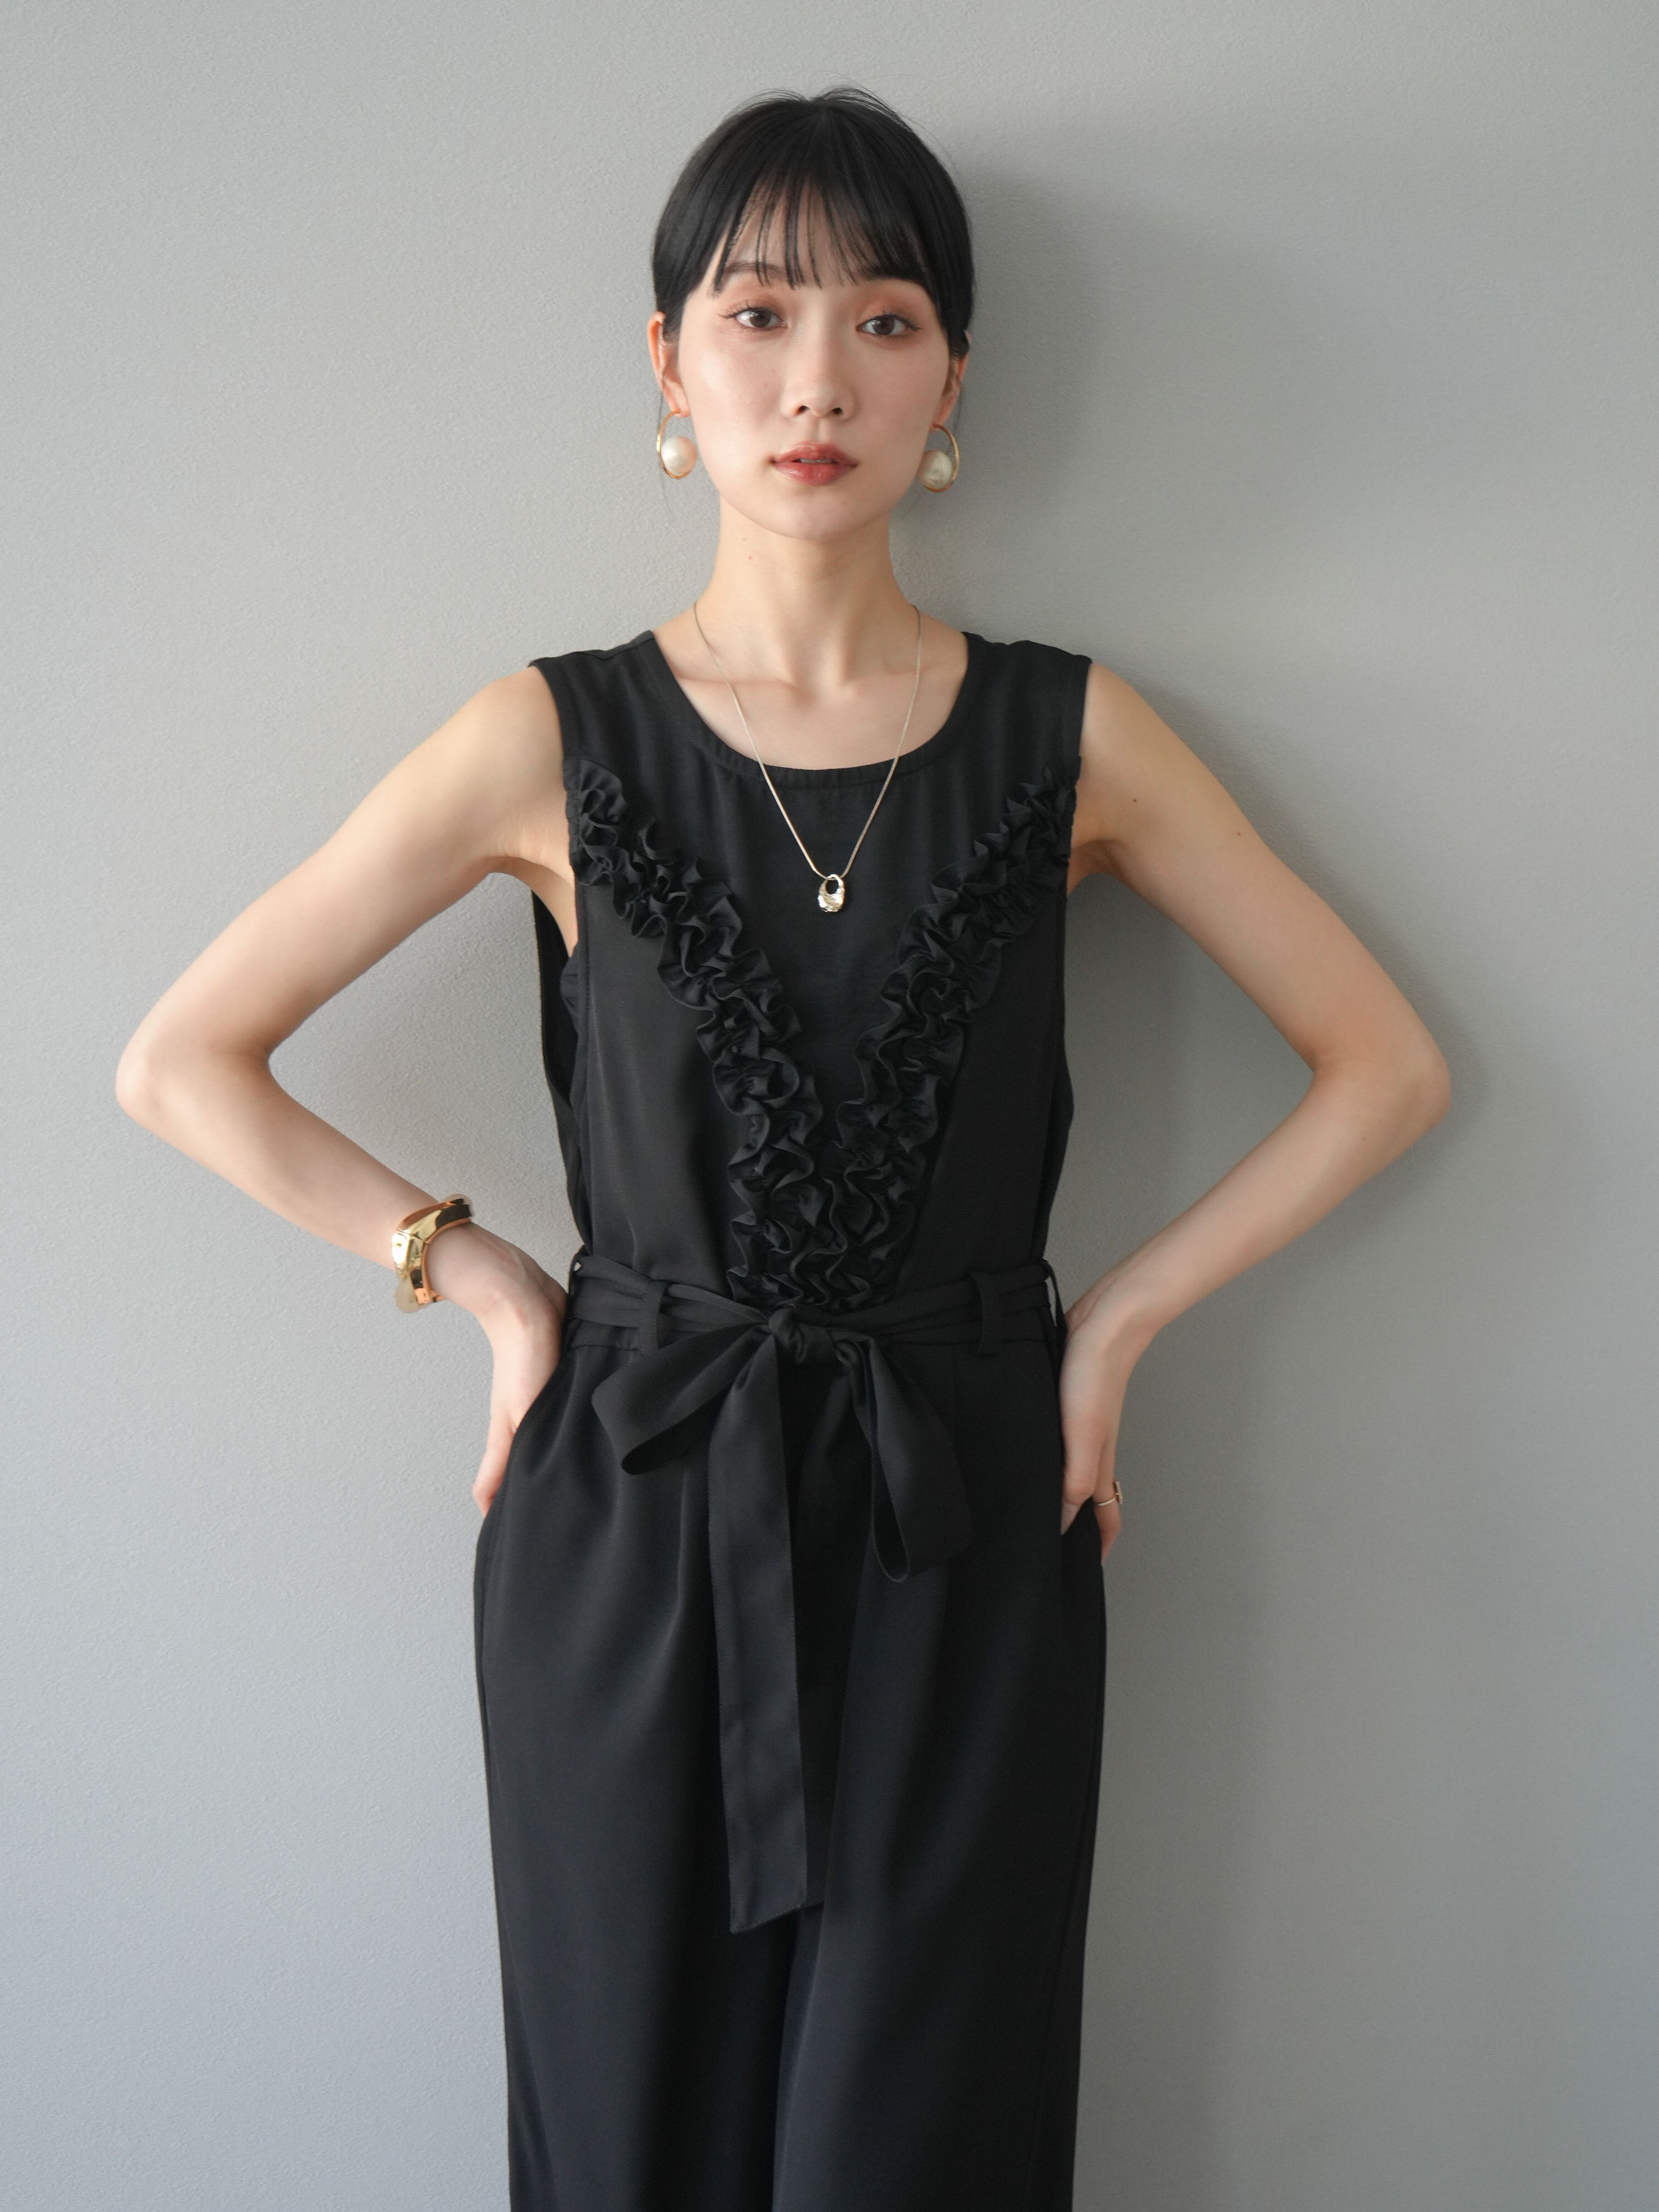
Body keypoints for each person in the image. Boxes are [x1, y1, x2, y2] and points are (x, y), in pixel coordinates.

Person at [116, 84, 1449, 2212]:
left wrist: (1112, 1332)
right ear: (670, 363)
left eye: (884, 319)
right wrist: (482, 1279)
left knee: (920, 2150)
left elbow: (1383, 1065)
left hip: (968, 1514)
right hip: (636, 1513)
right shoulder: (548, 735)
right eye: (756, 314)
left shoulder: (1071, 732)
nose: (817, 380)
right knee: (628, 2143)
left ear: (953, 377)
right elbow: (184, 1059)